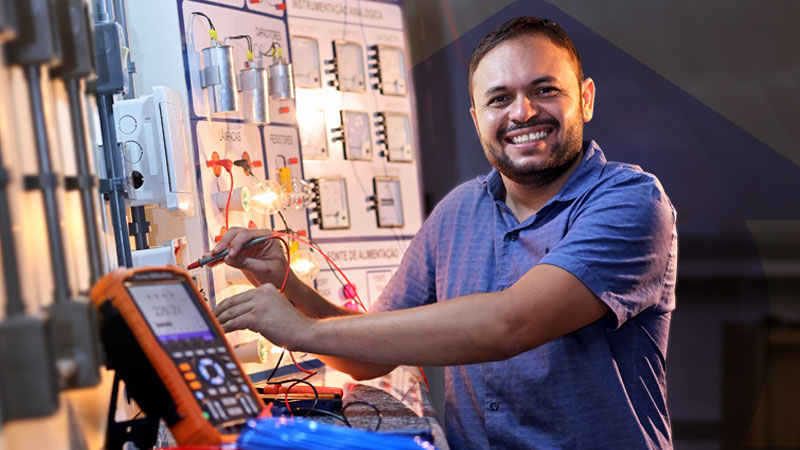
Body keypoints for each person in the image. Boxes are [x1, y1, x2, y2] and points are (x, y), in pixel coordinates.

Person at [213, 17, 677, 449]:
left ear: (587, 99)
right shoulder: (458, 212)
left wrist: (298, 329)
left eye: (545, 89)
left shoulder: (631, 202)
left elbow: (509, 324)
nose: (523, 112)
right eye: (499, 99)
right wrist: (288, 288)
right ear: (477, 119)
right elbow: (370, 356)